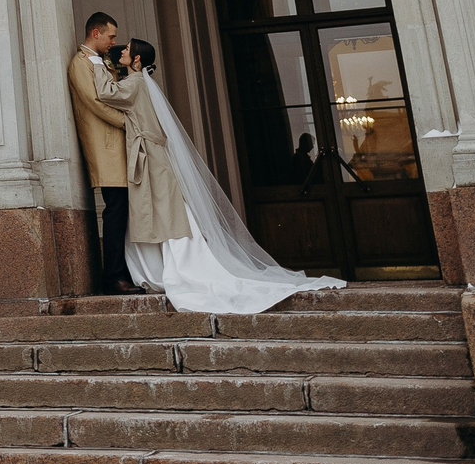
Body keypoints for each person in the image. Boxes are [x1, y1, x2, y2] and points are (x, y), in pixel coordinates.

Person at [109, 37, 343, 315]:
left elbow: (105, 94)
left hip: (149, 157)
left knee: (161, 210)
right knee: (167, 210)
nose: (121, 50)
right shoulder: (145, 82)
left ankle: (168, 270)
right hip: (155, 157)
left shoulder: (134, 83)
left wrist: (100, 69)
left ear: (137, 60)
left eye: (127, 50)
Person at [66, 12, 133, 294]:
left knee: (124, 210)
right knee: (115, 210)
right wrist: (129, 122)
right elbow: (94, 102)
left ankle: (126, 271)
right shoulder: (80, 64)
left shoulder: (104, 61)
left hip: (119, 145)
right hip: (105, 147)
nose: (113, 42)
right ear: (96, 33)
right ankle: (113, 276)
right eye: (111, 36)